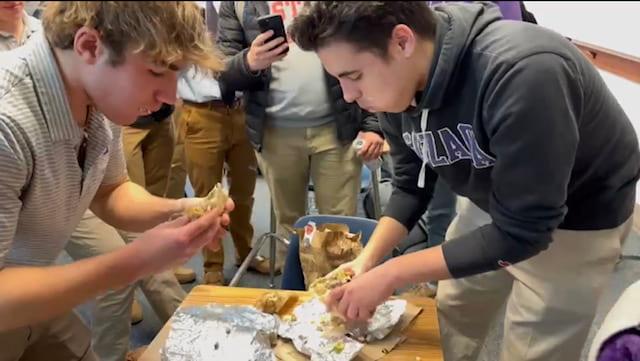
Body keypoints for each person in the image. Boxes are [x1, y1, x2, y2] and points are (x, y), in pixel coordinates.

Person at [289, 2, 640, 361]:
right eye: (339, 81)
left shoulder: (524, 70)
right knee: (454, 309)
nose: (349, 96)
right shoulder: (397, 86)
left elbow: (524, 230)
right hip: (489, 195)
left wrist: (392, 273)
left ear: (402, 42)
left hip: (577, 217)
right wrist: (367, 261)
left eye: (354, 76)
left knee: (534, 345)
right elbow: (411, 186)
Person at [0, 2, 232, 360]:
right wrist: (133, 262)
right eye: (156, 72)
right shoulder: (7, 121)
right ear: (89, 46)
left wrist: (181, 209)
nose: (170, 97)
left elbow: (111, 191)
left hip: (30, 283)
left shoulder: (93, 91)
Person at [216, 1, 384, 269]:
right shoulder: (238, 4)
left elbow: (365, 52)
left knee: (339, 226)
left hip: (337, 129)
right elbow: (222, 69)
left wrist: (373, 124)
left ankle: (342, 301)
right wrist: (249, 62)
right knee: (289, 225)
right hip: (274, 133)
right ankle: (294, 297)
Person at [177, 1, 264, 286]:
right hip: (201, 113)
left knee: (244, 191)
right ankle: (212, 265)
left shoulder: (239, 6)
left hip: (241, 110)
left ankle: (245, 251)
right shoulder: (182, 8)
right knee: (206, 196)